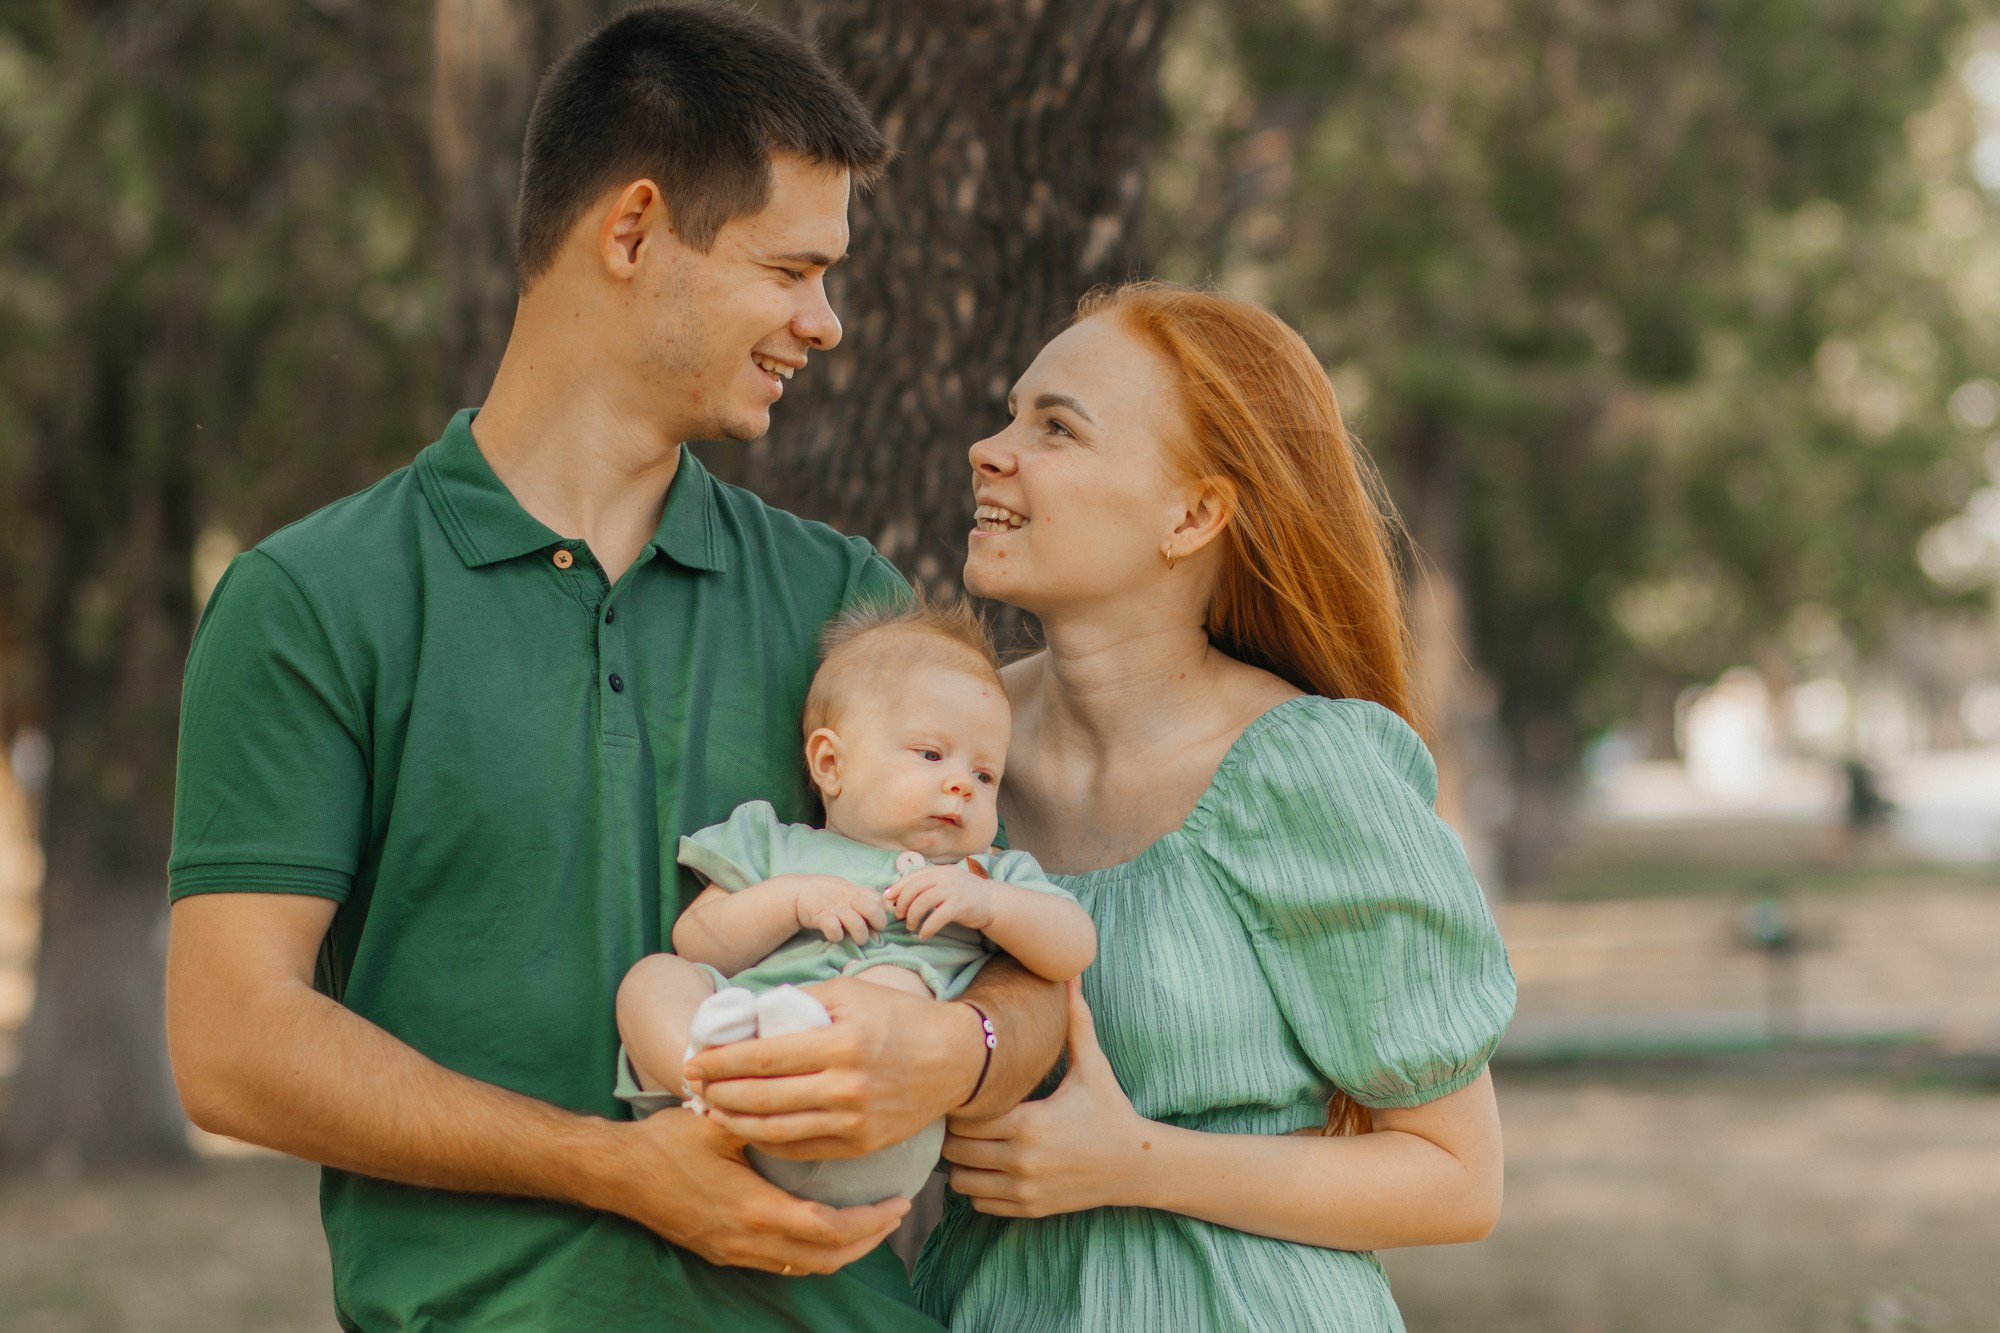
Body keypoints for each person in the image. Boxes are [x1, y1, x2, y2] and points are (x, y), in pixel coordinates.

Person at [162, 6, 1064, 1330]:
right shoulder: (311, 602)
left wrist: (951, 1047)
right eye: (792, 269)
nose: (826, 324)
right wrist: (615, 1169)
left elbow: (1028, 971)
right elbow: (232, 1044)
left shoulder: (844, 602)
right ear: (633, 231)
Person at [913, 281, 1518, 1332]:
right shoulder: (946, 753)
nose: (989, 449)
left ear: (1191, 515)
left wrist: (1132, 1162)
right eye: (1010, 415)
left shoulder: (1305, 772)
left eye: (1056, 427)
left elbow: (1457, 1178)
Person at [617, 599, 1096, 1207]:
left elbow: (1074, 946)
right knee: (654, 977)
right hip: (715, 1106)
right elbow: (697, 941)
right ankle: (706, 1070)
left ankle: (797, 1055)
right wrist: (789, 899)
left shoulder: (986, 873)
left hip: (866, 1122)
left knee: (894, 984)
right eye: (931, 755)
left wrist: (988, 904)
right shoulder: (775, 845)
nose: (961, 784)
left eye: (985, 775)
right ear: (830, 764)